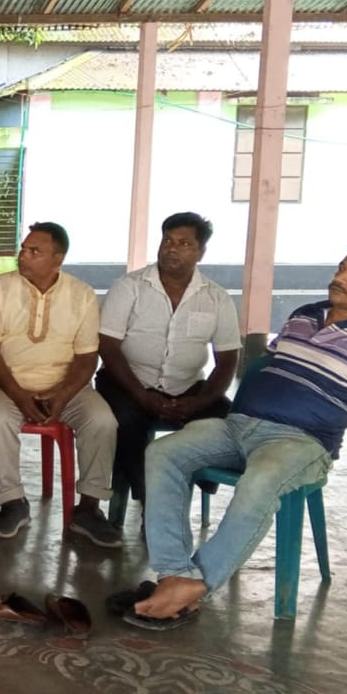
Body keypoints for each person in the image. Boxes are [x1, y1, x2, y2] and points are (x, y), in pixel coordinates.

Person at [127, 240, 347, 628]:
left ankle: (193, 588)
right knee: (163, 452)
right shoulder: (305, 314)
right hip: (237, 426)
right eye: (341, 268)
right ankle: (176, 574)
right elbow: (270, 366)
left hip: (301, 441)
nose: (340, 277)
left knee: (261, 479)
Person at [0, 222, 120, 547]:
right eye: (23, 249)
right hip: (5, 385)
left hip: (66, 388)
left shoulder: (81, 295)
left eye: (34, 251)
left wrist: (62, 395)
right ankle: (12, 502)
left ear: (58, 258)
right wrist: (19, 395)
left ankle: (89, 508)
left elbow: (87, 358)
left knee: (102, 421)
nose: (23, 256)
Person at [97, 212, 240, 508]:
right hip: (128, 382)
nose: (172, 249)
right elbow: (108, 347)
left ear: (200, 252)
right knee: (124, 422)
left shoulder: (216, 298)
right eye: (167, 241)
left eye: (184, 244)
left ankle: (195, 479)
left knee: (229, 422)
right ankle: (152, 502)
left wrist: (199, 402)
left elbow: (227, 360)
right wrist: (142, 395)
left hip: (187, 388)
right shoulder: (129, 287)